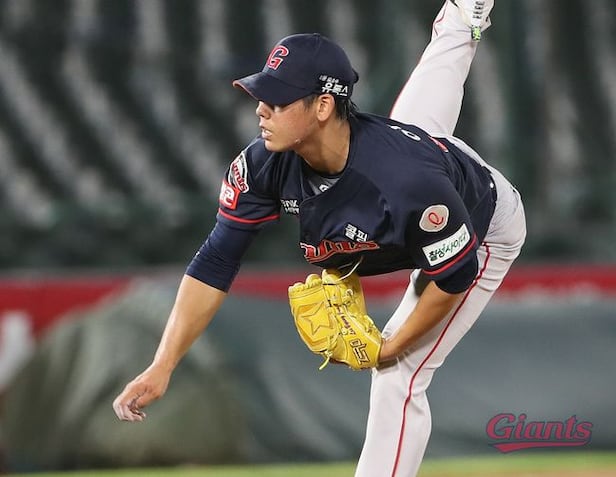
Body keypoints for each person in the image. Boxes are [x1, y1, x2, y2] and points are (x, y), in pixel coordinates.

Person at [113, 1, 526, 476]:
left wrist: (390, 348)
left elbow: (455, 276)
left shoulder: (406, 182)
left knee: (399, 375)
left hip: (483, 224)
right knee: (418, 133)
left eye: (278, 101)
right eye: (262, 97)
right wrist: (163, 363)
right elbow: (215, 262)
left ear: (324, 105)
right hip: (416, 157)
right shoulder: (265, 164)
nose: (261, 110)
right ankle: (462, 16)